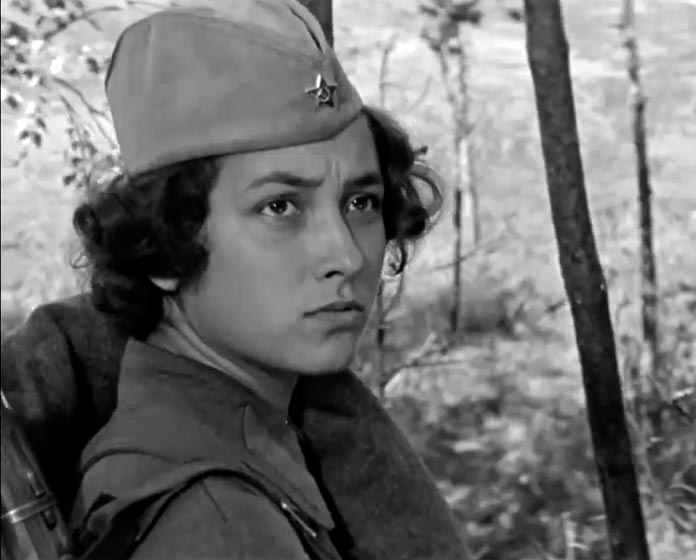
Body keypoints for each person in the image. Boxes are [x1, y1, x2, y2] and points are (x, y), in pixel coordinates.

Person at [28, 1, 473, 559]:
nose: (346, 254)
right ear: (164, 250)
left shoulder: (251, 436)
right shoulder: (220, 524)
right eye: (280, 207)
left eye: (361, 202)